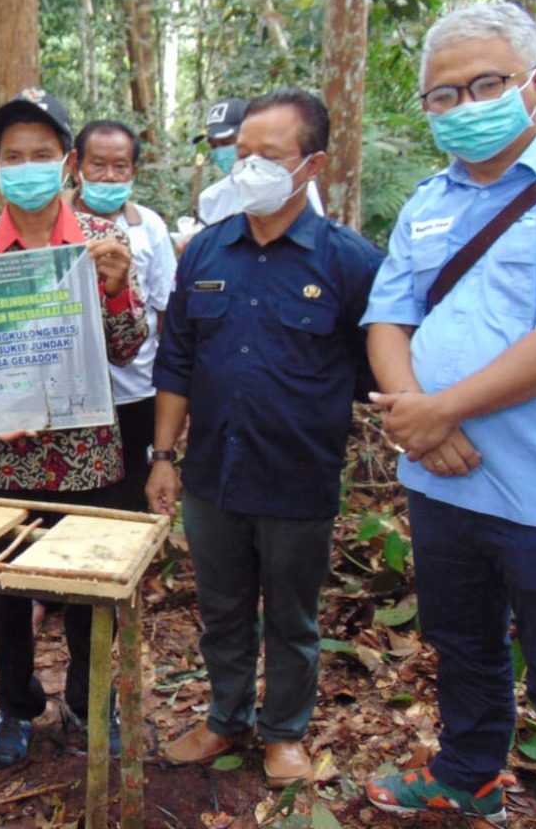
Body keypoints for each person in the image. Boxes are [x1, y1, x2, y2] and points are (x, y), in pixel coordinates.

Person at [361, 2, 536, 828]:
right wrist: (422, 422)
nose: (462, 106)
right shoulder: (428, 202)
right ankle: (468, 770)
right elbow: (389, 317)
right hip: (444, 486)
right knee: (464, 644)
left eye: (484, 84)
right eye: (442, 96)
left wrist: (435, 411)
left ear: (535, 83)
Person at [146, 88, 383, 788]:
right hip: (214, 474)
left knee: (291, 617)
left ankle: (284, 732)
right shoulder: (204, 252)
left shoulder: (349, 262)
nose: (248, 167)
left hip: (298, 477)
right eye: (240, 153)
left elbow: (382, 366)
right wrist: (163, 456)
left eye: (268, 156)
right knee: (219, 609)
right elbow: (178, 360)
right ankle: (225, 718)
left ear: (311, 164)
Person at [0, 89, 148, 766]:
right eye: (11, 156)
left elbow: (126, 347)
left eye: (41, 154)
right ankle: (17, 704)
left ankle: (92, 704)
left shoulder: (98, 243)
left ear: (66, 165)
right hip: (7, 461)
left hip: (89, 456)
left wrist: (116, 290)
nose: (25, 166)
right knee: (8, 596)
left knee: (91, 590)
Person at [68, 120, 177, 511]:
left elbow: (166, 313)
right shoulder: (51, 222)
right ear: (76, 164)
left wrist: (171, 390)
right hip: (68, 394)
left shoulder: (149, 227)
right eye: (98, 165)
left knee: (131, 498)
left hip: (134, 390)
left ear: (133, 171)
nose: (109, 176)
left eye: (121, 166)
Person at [192, 96, 326, 228]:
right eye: (213, 146)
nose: (220, 151)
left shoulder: (291, 186)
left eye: (226, 142)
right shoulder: (211, 199)